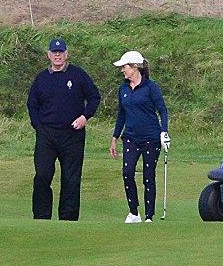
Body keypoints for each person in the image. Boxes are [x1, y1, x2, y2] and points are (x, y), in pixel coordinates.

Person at [27, 38, 101, 221]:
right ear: (49, 55)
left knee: (71, 179)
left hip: (72, 135)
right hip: (47, 135)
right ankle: (41, 217)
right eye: (54, 52)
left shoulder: (78, 75)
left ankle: (68, 220)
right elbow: (32, 104)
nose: (57, 55)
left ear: (66, 54)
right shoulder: (42, 78)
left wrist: (84, 117)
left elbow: (94, 97)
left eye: (60, 52)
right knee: (43, 175)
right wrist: (38, 126)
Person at [109, 51, 170, 223]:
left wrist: (163, 132)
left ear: (135, 67)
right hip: (130, 137)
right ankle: (134, 212)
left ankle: (149, 215)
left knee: (148, 175)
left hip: (151, 138)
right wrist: (114, 138)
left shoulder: (151, 88)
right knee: (127, 172)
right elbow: (121, 115)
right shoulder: (123, 89)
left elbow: (162, 111)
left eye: (125, 67)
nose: (122, 70)